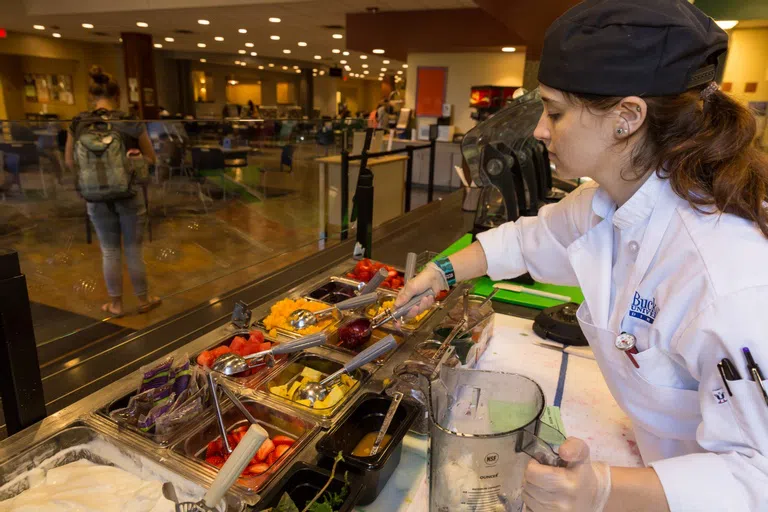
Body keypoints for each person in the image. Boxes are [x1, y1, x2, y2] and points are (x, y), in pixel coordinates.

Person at [396, 1, 768, 510]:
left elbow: (757, 475)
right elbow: (529, 238)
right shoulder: (605, 201)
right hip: (653, 458)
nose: (539, 131)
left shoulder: (727, 276)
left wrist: (603, 489)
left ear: (627, 117)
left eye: (555, 112)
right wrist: (438, 273)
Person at [65, 66, 160, 317]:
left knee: (109, 250)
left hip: (95, 198)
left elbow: (70, 162)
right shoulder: (129, 122)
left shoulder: (79, 123)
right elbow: (151, 158)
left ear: (91, 96)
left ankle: (116, 305)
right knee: (132, 250)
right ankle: (143, 300)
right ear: (118, 96)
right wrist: (134, 161)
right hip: (129, 195)